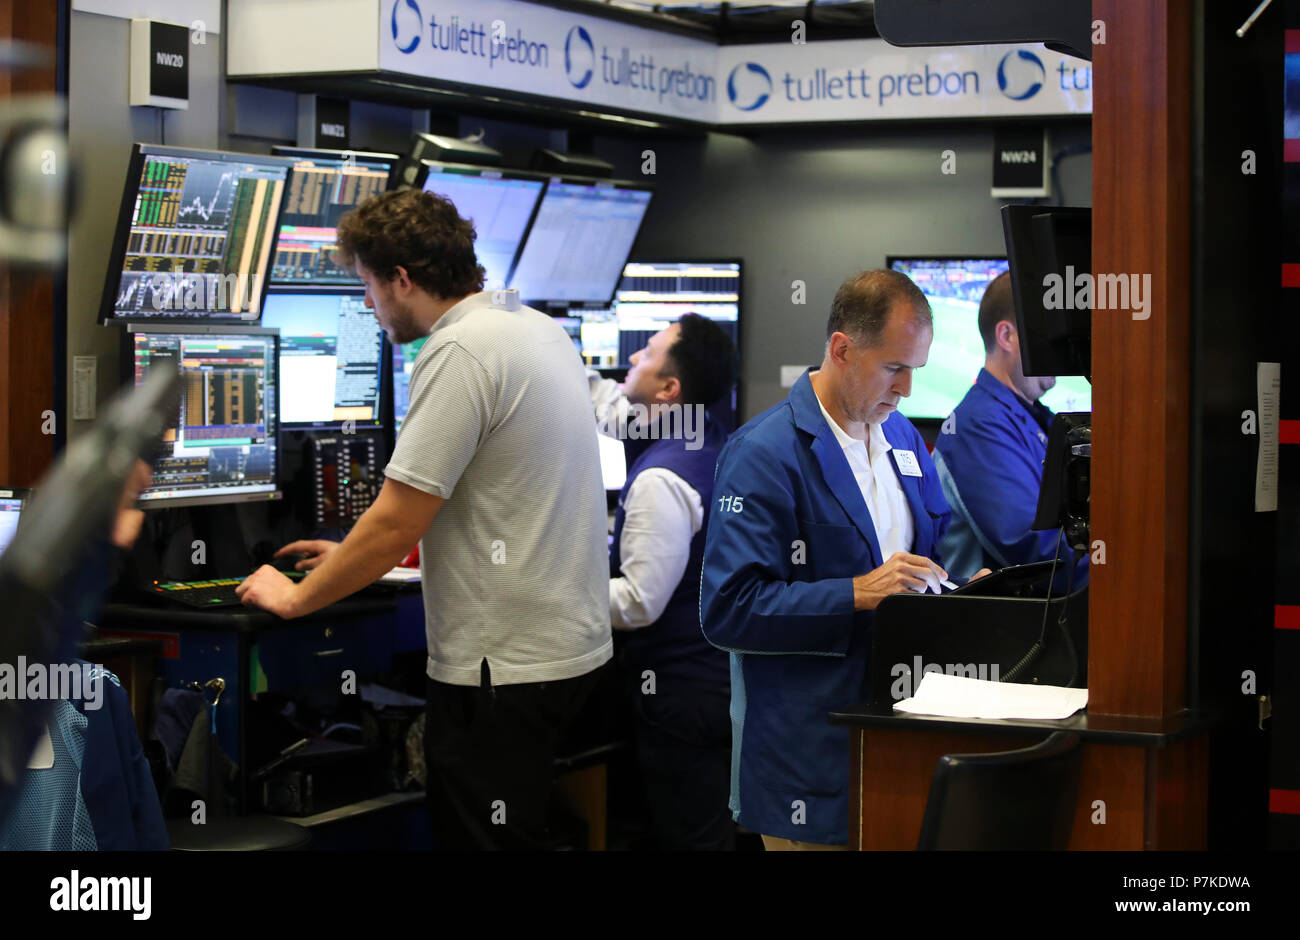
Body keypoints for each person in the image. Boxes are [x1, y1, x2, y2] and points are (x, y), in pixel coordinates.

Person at [237, 189, 612, 850]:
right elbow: (501, 494)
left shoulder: (459, 350)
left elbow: (396, 522)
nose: (366, 304)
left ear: (402, 280)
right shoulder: (532, 325)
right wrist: (351, 555)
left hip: (501, 668)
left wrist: (295, 598)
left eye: (367, 285)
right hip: (565, 651)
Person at [699, 269, 956, 850]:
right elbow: (728, 609)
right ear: (842, 349)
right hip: (807, 767)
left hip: (898, 745)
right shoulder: (764, 454)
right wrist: (857, 592)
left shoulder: (905, 441)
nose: (907, 390)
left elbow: (926, 563)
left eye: (916, 370)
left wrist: (963, 593)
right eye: (894, 368)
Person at [589, 313, 737, 850]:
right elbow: (610, 405)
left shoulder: (661, 478)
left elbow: (638, 603)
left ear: (669, 390)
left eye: (646, 354)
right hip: (717, 681)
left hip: (678, 695)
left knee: (685, 838)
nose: (631, 359)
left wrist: (549, 592)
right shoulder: (713, 439)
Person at [931, 271, 1089, 582]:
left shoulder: (1029, 414)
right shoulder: (977, 426)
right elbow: (1034, 552)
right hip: (999, 623)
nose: (1063, 348)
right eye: (1050, 335)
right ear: (1006, 336)